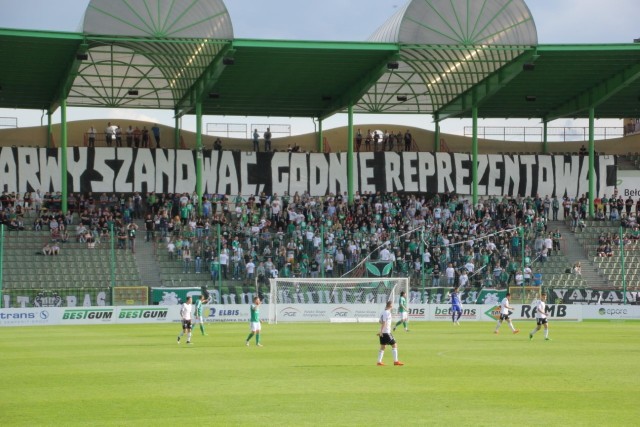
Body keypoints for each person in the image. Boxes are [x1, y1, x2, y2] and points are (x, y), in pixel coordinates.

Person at [377, 300, 404, 366]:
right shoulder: (387, 313)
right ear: (391, 306)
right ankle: (396, 361)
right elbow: (383, 322)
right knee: (394, 345)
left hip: (383, 332)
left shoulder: (382, 312)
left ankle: (379, 362)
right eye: (392, 306)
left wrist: (381, 331)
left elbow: (380, 321)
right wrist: (381, 331)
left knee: (383, 347)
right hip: (386, 332)